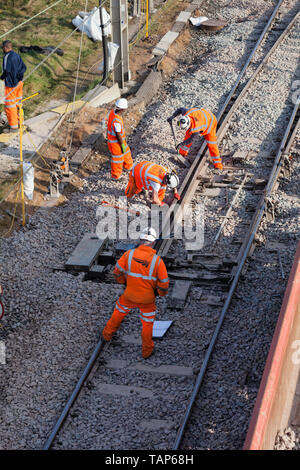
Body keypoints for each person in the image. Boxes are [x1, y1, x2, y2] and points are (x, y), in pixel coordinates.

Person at [102, 227, 169, 358]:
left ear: (140, 240)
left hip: (129, 295)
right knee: (147, 324)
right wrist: (160, 294)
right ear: (153, 243)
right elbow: (164, 284)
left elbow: (117, 272)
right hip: (147, 300)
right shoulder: (157, 261)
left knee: (119, 312)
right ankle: (146, 351)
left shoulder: (129, 254)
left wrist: (123, 282)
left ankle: (106, 335)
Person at [0, 40, 26, 133]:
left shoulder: (7, 57)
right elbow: (24, 67)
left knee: (10, 106)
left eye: (2, 48)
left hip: (11, 85)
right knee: (18, 104)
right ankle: (20, 122)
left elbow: (6, 71)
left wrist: (1, 78)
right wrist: (20, 77)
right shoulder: (17, 55)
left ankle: (14, 127)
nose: (2, 49)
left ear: (6, 48)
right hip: (19, 84)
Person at [107, 97, 133, 180]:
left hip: (119, 140)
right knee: (117, 159)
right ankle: (116, 176)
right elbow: (118, 134)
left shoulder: (113, 113)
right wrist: (122, 145)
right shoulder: (116, 121)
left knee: (126, 152)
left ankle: (128, 166)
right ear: (122, 109)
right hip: (115, 143)